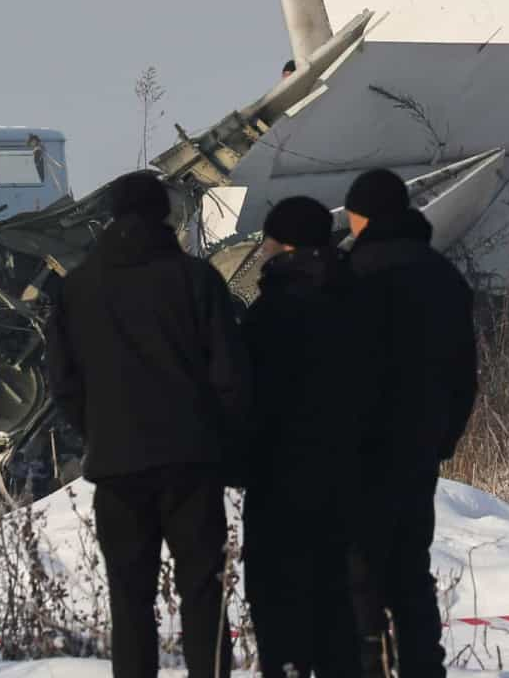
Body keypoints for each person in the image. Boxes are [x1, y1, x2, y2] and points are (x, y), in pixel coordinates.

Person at [47, 171, 251, 678]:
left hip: (117, 466)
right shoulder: (197, 279)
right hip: (191, 462)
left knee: (130, 598)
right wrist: (220, 438)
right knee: (204, 593)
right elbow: (230, 375)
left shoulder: (77, 289)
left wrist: (99, 431)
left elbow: (63, 383)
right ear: (165, 214)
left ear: (111, 215)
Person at [340, 169, 477, 678]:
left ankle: (371, 665)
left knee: (361, 571)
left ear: (363, 215)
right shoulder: (444, 278)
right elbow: (465, 372)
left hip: (358, 447)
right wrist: (443, 437)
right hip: (418, 445)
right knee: (411, 570)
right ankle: (424, 667)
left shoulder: (351, 275)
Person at [242, 196, 361, 678]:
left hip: (279, 483)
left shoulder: (266, 316)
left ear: (282, 244)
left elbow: (242, 395)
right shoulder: (362, 304)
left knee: (280, 604)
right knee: (343, 607)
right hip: (353, 479)